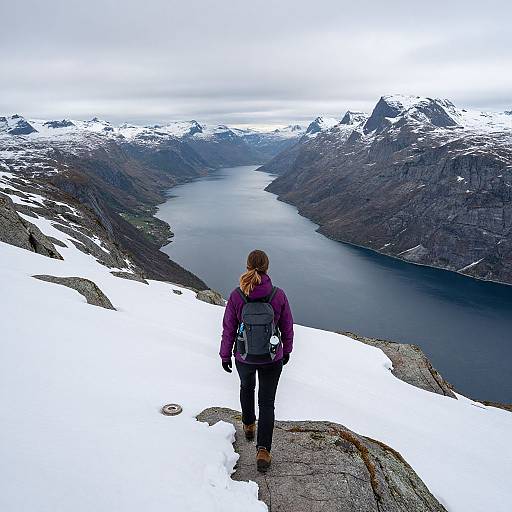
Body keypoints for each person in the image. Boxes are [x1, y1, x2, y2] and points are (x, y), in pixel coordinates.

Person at [219, 249, 294, 472]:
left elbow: (228, 329)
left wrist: (225, 355)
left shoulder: (237, 295)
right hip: (272, 358)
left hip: (244, 356)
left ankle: (249, 425)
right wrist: (286, 350)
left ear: (247, 266)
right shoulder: (277, 295)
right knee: (267, 402)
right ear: (267, 267)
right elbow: (287, 327)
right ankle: (263, 450)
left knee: (246, 387)